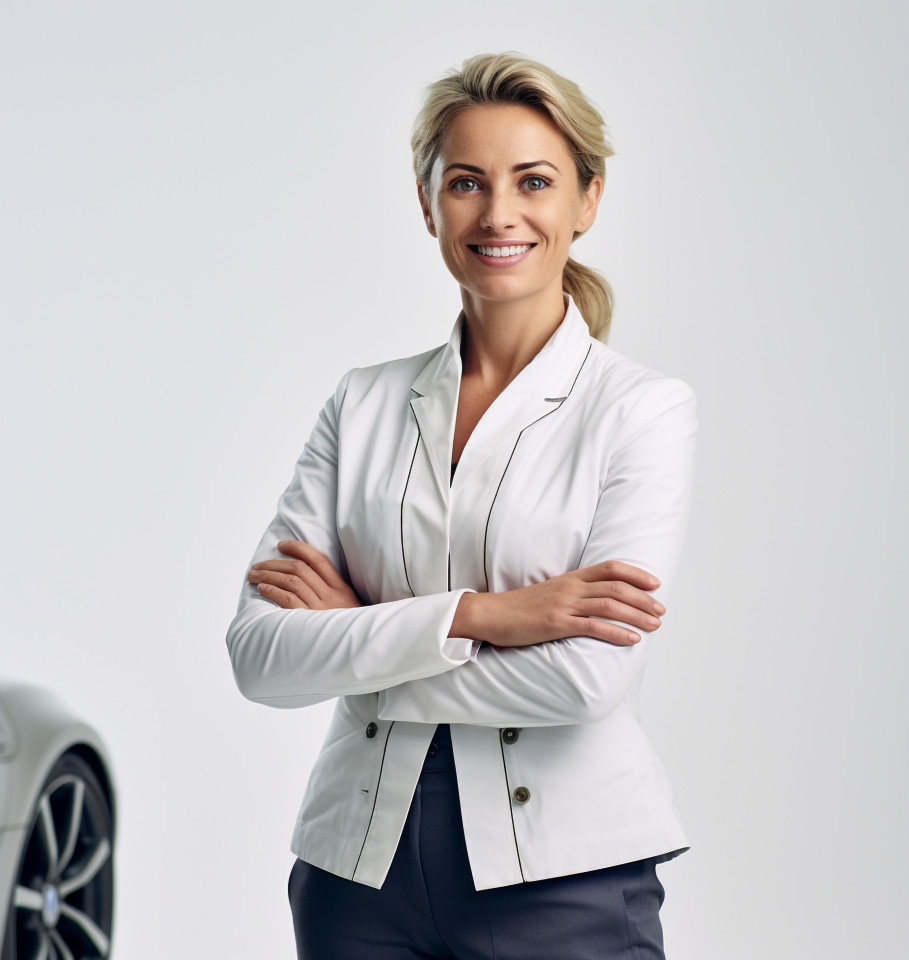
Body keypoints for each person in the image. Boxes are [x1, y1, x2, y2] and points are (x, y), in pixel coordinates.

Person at [226, 51, 698, 960]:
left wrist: (361, 640)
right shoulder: (362, 402)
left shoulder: (641, 409)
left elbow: (586, 680)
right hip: (353, 876)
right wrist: (490, 616)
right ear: (427, 201)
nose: (498, 214)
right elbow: (259, 655)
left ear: (587, 201)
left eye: (534, 181)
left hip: (566, 881)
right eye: (467, 183)